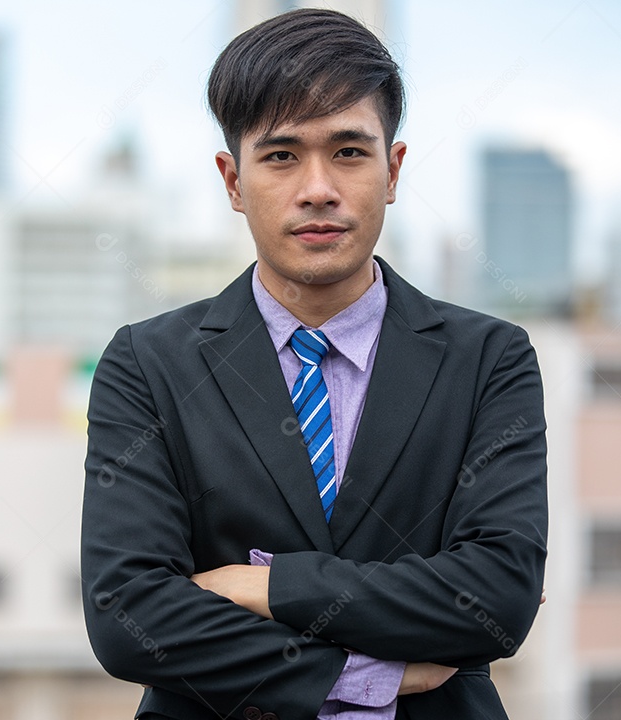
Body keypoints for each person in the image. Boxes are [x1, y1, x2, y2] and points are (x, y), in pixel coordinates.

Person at [81, 8, 547, 719]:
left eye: (350, 152)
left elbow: (497, 599)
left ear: (392, 170)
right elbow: (130, 617)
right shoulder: (148, 364)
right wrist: (370, 673)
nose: (318, 188)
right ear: (232, 182)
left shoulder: (489, 359)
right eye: (281, 155)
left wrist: (262, 587)